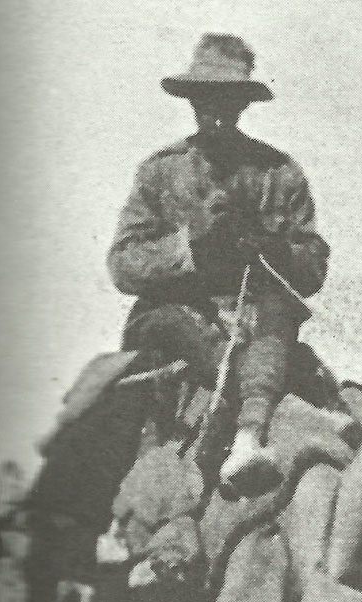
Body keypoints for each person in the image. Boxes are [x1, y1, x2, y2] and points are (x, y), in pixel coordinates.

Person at [107, 34, 330, 491]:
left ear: (244, 102)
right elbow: (123, 263)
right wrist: (189, 249)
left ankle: (251, 438)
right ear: (192, 99)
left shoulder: (279, 173)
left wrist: (271, 248)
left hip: (258, 316)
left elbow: (312, 269)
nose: (216, 110)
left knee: (324, 389)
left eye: (228, 98)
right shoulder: (161, 171)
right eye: (206, 97)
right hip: (172, 318)